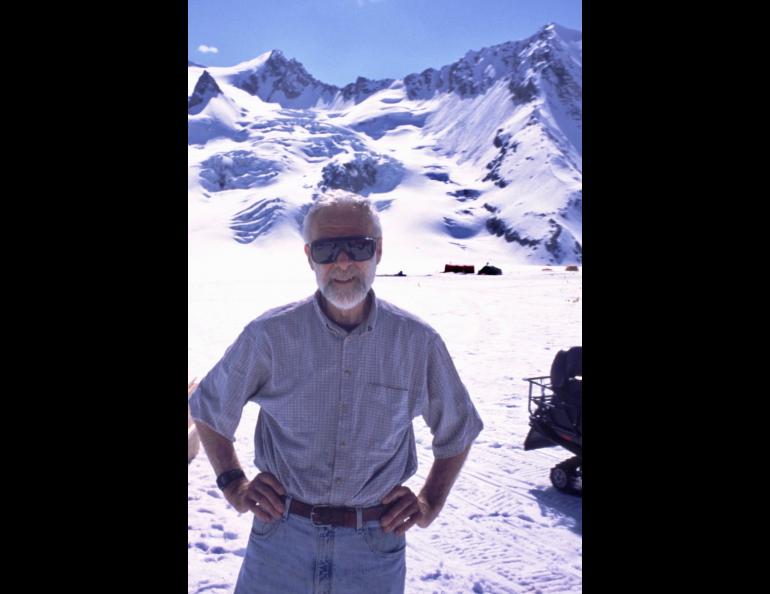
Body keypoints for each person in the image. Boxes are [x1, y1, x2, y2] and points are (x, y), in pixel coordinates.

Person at [190, 191, 484, 594]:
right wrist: (234, 484)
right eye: (328, 249)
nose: (343, 262)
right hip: (280, 542)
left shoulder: (417, 343)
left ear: (378, 250)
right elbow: (208, 407)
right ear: (309, 256)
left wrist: (429, 501)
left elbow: (459, 429)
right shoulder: (269, 336)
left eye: (358, 246)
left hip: (373, 550)